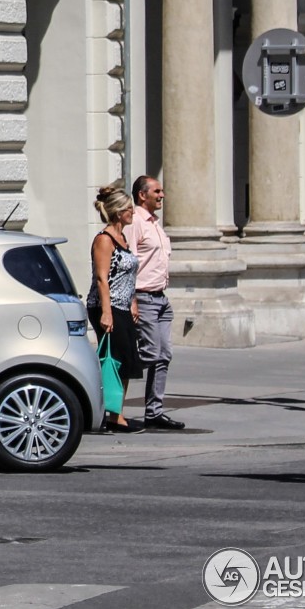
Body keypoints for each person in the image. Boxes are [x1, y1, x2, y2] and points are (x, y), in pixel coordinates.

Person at [124, 175, 185, 431]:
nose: (162, 195)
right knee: (149, 353)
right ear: (142, 195)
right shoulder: (135, 222)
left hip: (160, 298)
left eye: (162, 191)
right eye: (157, 191)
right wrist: (132, 299)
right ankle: (111, 393)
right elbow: (129, 263)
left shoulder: (156, 224)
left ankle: (154, 412)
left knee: (164, 355)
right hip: (144, 296)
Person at [86, 184, 143, 432]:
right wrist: (107, 312)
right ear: (119, 212)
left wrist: (132, 301)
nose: (133, 211)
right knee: (113, 360)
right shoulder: (104, 239)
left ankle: (116, 411)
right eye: (129, 208)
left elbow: (126, 276)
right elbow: (102, 278)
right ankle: (111, 415)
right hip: (105, 306)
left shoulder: (123, 238)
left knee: (126, 360)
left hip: (122, 305)